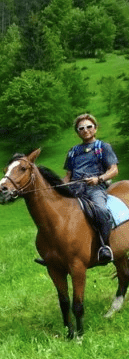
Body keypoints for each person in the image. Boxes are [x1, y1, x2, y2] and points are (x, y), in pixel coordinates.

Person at [64, 113, 118, 264]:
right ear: (77, 132)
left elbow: (114, 170)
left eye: (89, 127)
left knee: (100, 210)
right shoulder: (72, 151)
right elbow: (68, 175)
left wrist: (98, 179)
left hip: (95, 189)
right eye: (81, 128)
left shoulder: (103, 147)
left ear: (95, 129)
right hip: (74, 189)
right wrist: (59, 187)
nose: (85, 130)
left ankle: (105, 247)